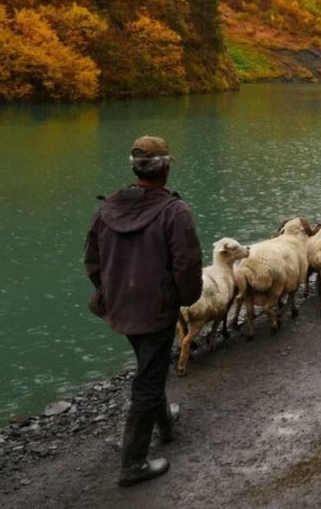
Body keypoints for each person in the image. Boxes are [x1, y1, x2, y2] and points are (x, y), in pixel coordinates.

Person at [84, 135, 203, 486]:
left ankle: (165, 424)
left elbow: (91, 262)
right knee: (148, 379)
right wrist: (183, 298)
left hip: (121, 307)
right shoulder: (174, 211)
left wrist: (111, 293)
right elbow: (187, 264)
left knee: (150, 365)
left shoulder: (106, 209)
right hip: (157, 308)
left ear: (135, 167)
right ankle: (132, 464)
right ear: (164, 168)